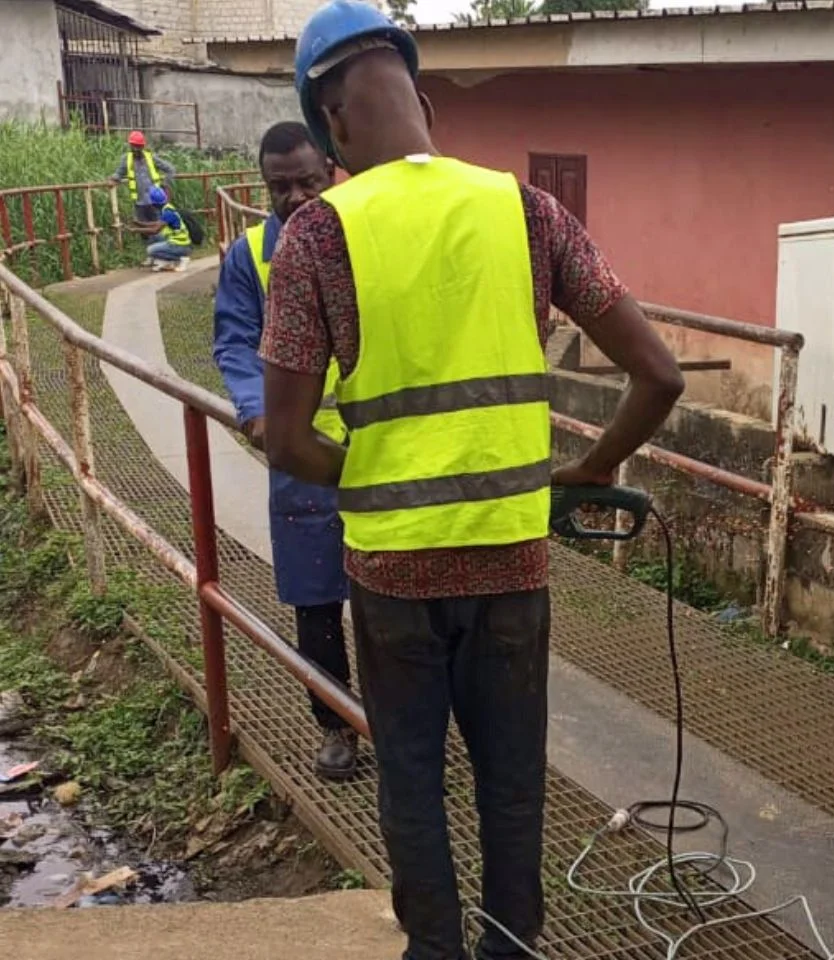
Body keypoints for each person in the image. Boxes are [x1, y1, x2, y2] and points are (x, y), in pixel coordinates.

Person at [260, 4, 685, 960]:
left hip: (392, 574)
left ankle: (435, 949)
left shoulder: (317, 236)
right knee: (512, 778)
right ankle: (512, 947)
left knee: (410, 775)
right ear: (422, 97)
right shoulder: (527, 210)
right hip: (513, 560)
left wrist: (373, 482)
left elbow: (286, 440)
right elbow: (659, 375)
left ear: (331, 123)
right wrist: (591, 467)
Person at [212, 121, 356, 781]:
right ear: (263, 185)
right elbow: (235, 339)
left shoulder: (363, 234)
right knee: (315, 597)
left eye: (307, 181)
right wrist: (256, 411)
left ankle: (397, 720)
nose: (295, 196)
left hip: (372, 443)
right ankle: (336, 726)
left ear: (331, 168)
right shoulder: (249, 256)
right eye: (280, 186)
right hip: (299, 453)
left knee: (392, 596)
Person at [109, 131, 176, 223]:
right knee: (144, 231)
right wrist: (114, 178)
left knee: (158, 228)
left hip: (155, 203)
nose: (136, 149)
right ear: (130, 146)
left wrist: (165, 185)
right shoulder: (126, 159)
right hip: (139, 203)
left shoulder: (151, 158)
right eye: (134, 146)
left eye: (138, 146)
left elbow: (170, 169)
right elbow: (119, 173)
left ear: (143, 146)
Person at [132, 186, 192, 271]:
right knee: (155, 237)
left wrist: (136, 230)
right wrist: (139, 224)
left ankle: (179, 259)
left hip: (180, 245)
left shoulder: (167, 213)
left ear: (154, 203)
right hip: (179, 243)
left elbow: (155, 230)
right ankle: (168, 261)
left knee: (150, 250)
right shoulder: (166, 208)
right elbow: (156, 224)